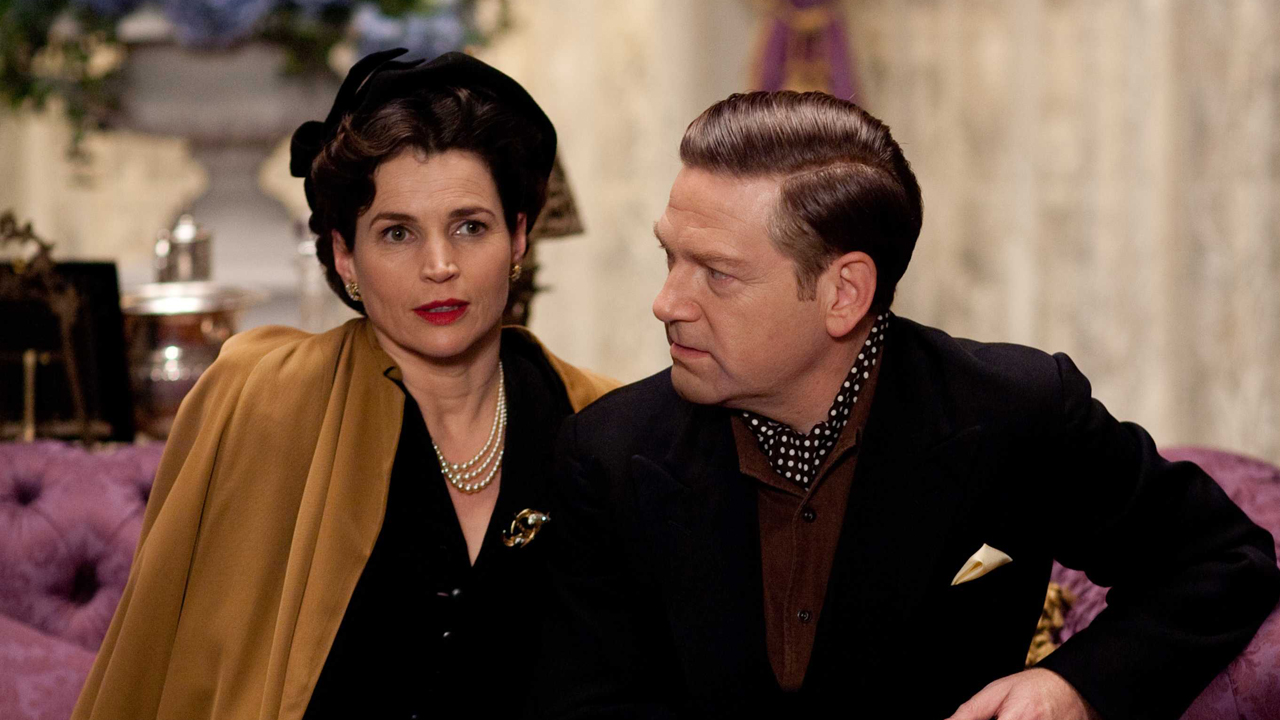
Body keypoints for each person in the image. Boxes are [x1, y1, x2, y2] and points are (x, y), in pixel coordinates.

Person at [538, 91, 1280, 719]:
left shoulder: (1016, 411)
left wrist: (1073, 686)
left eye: (717, 273)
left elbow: (1222, 559)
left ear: (844, 293)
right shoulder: (606, 453)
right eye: (670, 257)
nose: (666, 302)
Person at [73, 49, 615, 720]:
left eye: (470, 227)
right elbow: (169, 666)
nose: (439, 265)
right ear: (344, 256)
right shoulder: (265, 402)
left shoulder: (596, 422)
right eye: (397, 233)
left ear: (519, 238)